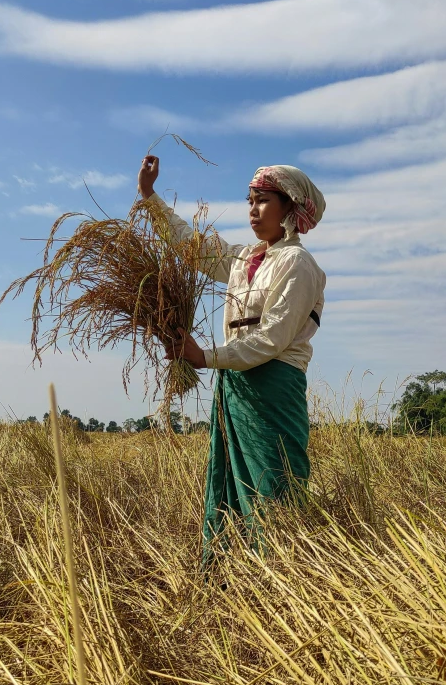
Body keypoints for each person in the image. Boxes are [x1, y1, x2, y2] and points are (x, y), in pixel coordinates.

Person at [138, 155, 326, 565]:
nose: (253, 210)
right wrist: (150, 197)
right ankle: (231, 577)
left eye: (262, 201)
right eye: (250, 200)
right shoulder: (246, 259)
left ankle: (282, 577)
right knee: (230, 483)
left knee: (273, 480)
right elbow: (196, 248)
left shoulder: (298, 264)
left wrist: (205, 356)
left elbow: (272, 338)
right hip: (236, 382)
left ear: (290, 208)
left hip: (273, 386)